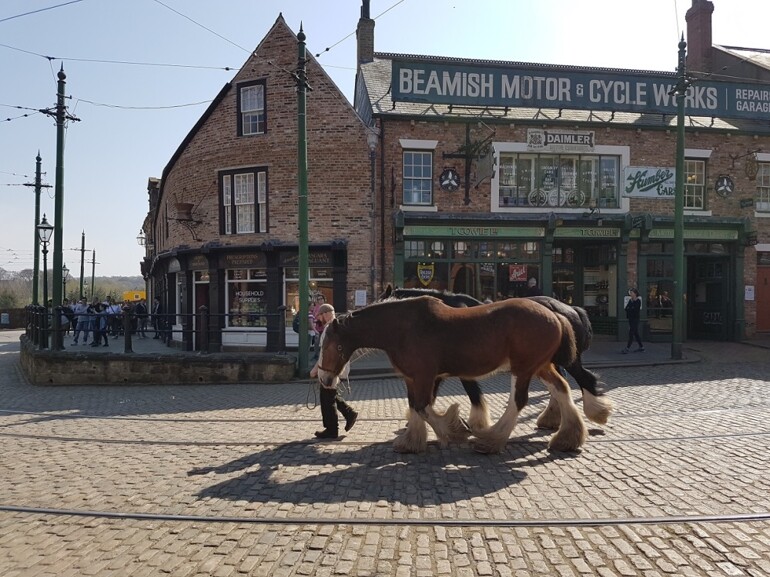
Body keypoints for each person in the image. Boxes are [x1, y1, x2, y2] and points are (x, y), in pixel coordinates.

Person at [309, 303, 358, 439]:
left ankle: (332, 429)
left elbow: (326, 355)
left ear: (325, 314)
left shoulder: (331, 329)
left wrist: (316, 370)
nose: (319, 319)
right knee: (329, 395)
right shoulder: (334, 328)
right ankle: (349, 414)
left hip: (330, 369)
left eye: (320, 316)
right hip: (331, 368)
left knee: (327, 398)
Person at [622, 288, 645, 353]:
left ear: (635, 293)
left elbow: (635, 310)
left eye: (632, 293)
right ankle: (641, 347)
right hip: (630, 318)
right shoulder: (630, 300)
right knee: (636, 333)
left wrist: (631, 308)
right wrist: (631, 308)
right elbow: (626, 308)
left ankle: (627, 348)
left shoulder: (638, 301)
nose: (630, 294)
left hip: (635, 319)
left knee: (631, 333)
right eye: (630, 293)